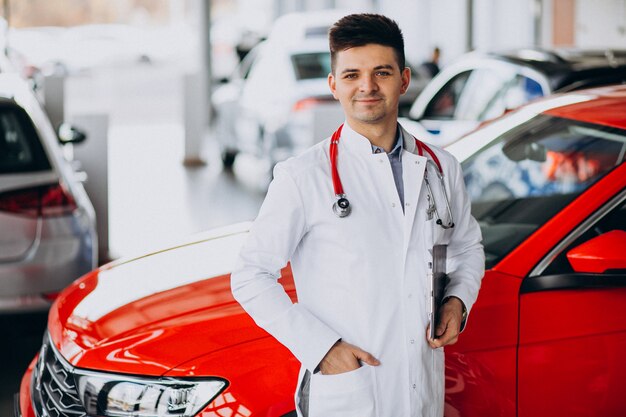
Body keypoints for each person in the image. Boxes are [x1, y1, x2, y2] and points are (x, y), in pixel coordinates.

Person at [231, 13, 484, 417]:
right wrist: (319, 347)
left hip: (421, 385)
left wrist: (457, 299)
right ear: (334, 85)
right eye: (351, 75)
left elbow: (467, 247)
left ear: (403, 80)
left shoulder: (442, 167)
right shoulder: (303, 176)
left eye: (381, 72)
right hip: (348, 390)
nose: (366, 86)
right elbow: (250, 275)